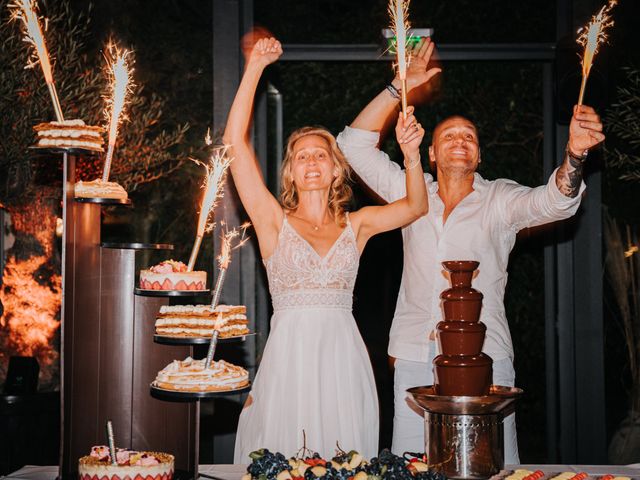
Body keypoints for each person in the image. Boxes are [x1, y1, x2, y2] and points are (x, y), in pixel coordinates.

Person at [336, 37, 605, 462]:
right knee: (412, 464)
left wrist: (573, 156)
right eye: (449, 136)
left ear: (478, 155)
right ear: (430, 153)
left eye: (469, 137)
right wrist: (396, 87)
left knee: (489, 463)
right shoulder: (411, 192)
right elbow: (351, 146)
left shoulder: (500, 198)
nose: (460, 141)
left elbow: (555, 200)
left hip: (486, 355)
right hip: (415, 352)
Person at [225, 36, 429, 462]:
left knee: (343, 458)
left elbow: (414, 206)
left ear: (336, 169)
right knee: (282, 458)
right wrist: (255, 69)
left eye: (321, 154)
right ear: (291, 172)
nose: (312, 161)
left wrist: (410, 156)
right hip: (289, 359)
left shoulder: (356, 225)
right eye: (302, 157)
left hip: (342, 358)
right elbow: (234, 144)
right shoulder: (272, 221)